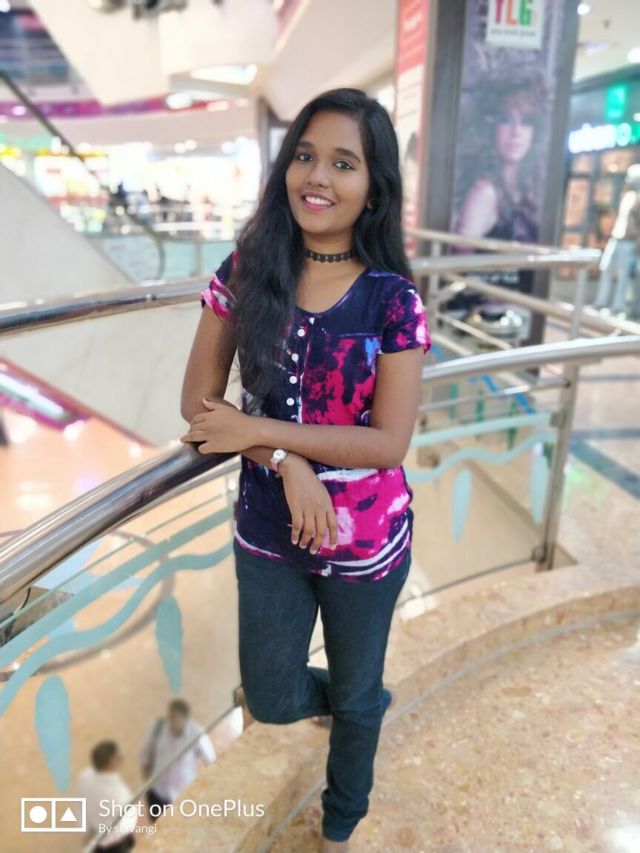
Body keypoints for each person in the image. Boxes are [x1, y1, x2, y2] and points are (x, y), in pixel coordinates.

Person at [180, 87, 431, 851]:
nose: (317, 176)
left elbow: (388, 442)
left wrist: (261, 431)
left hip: (366, 545)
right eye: (305, 156)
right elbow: (199, 405)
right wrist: (286, 461)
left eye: (343, 163)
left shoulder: (392, 301)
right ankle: (363, 704)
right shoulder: (247, 269)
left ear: (373, 189)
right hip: (268, 531)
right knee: (272, 693)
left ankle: (341, 821)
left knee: (351, 699)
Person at [138, 698, 216, 822]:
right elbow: (146, 750)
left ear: (185, 718)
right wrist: (146, 775)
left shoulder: (197, 734)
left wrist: (204, 789)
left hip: (181, 795)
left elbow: (211, 762)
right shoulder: (159, 726)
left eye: (175, 717)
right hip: (157, 791)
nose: (171, 721)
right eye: (169, 717)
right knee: (156, 824)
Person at [594, 165, 640, 317]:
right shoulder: (627, 196)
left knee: (623, 275)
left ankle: (618, 306)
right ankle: (601, 302)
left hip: (629, 241)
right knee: (606, 269)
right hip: (616, 238)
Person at [76, 740, 138, 851]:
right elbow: (127, 825)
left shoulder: (84, 777)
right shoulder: (119, 794)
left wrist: (85, 831)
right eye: (117, 756)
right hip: (115, 844)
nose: (121, 758)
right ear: (113, 762)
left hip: (95, 840)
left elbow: (81, 806)